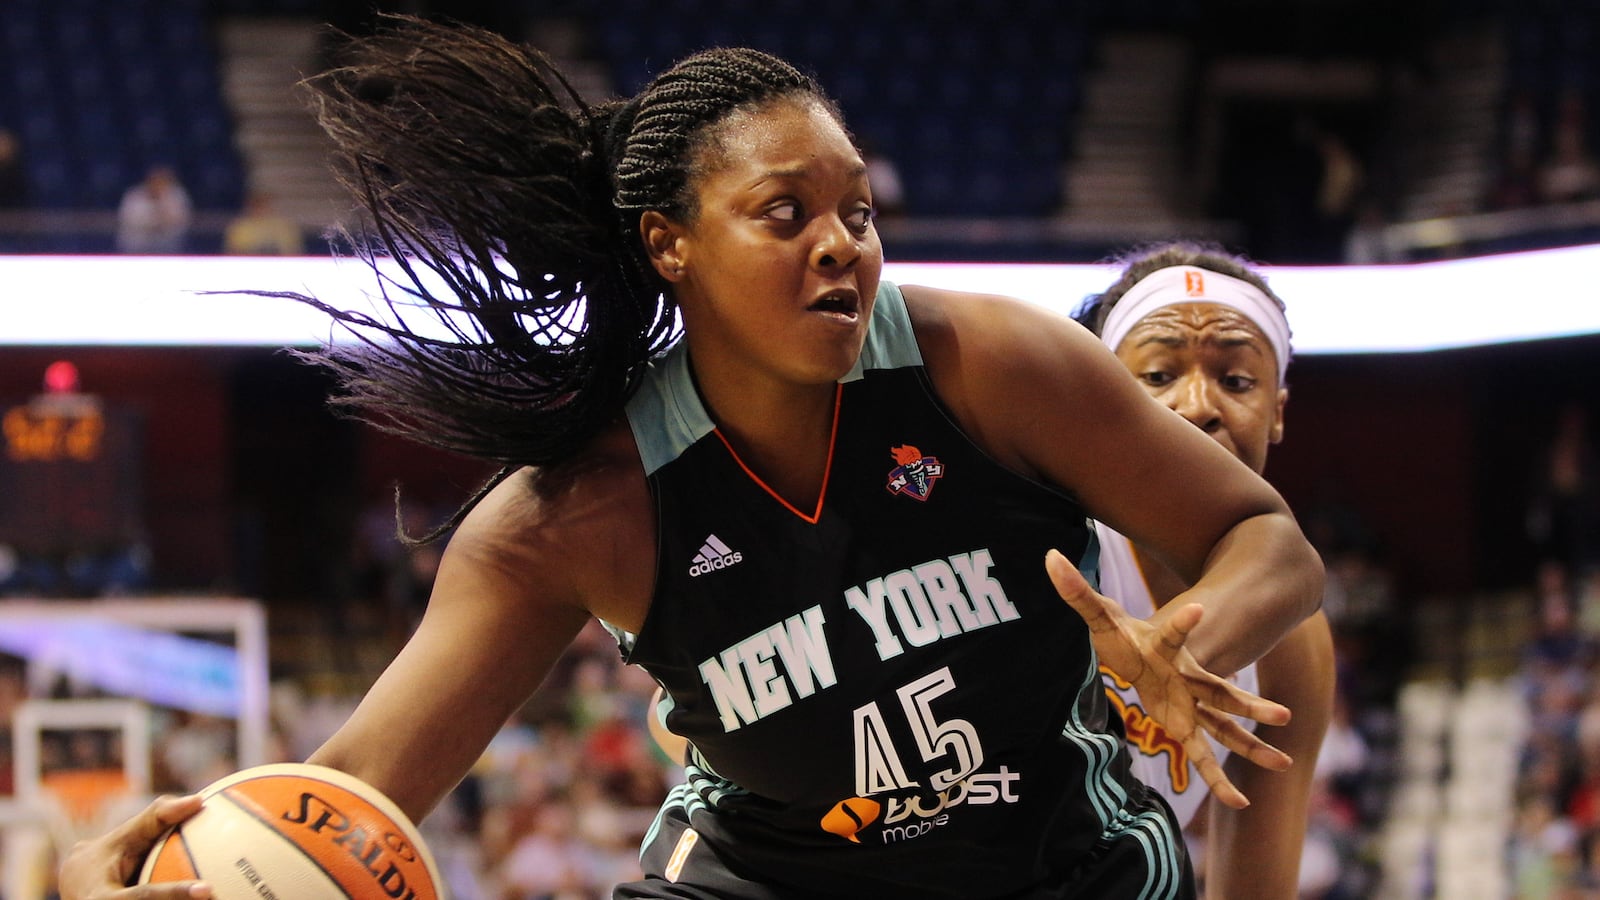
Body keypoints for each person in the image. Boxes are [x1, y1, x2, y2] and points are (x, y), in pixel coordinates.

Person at [61, 17, 1323, 899]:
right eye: (787, 214)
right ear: (669, 244)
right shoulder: (575, 515)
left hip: (1064, 871)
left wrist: (1192, 638)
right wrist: (155, 868)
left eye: (857, 212)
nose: (842, 244)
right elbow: (348, 788)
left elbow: (1270, 542)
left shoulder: (986, 363)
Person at [1072, 243, 1337, 898]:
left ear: (1277, 412)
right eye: (1158, 377)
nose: (1197, 405)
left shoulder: (1292, 645)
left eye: (1237, 381)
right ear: (1102, 397)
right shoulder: (1052, 546)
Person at [115, 165, 192, 254]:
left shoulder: (177, 195)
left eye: (162, 181)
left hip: (169, 244)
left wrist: (162, 203)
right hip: (137, 243)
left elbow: (181, 220)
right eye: (155, 180)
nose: (158, 184)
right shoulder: (134, 195)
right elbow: (127, 219)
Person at [222, 191, 306, 256]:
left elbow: (294, 252)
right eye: (259, 205)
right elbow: (233, 253)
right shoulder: (240, 227)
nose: (262, 209)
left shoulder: (284, 227)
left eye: (265, 205)